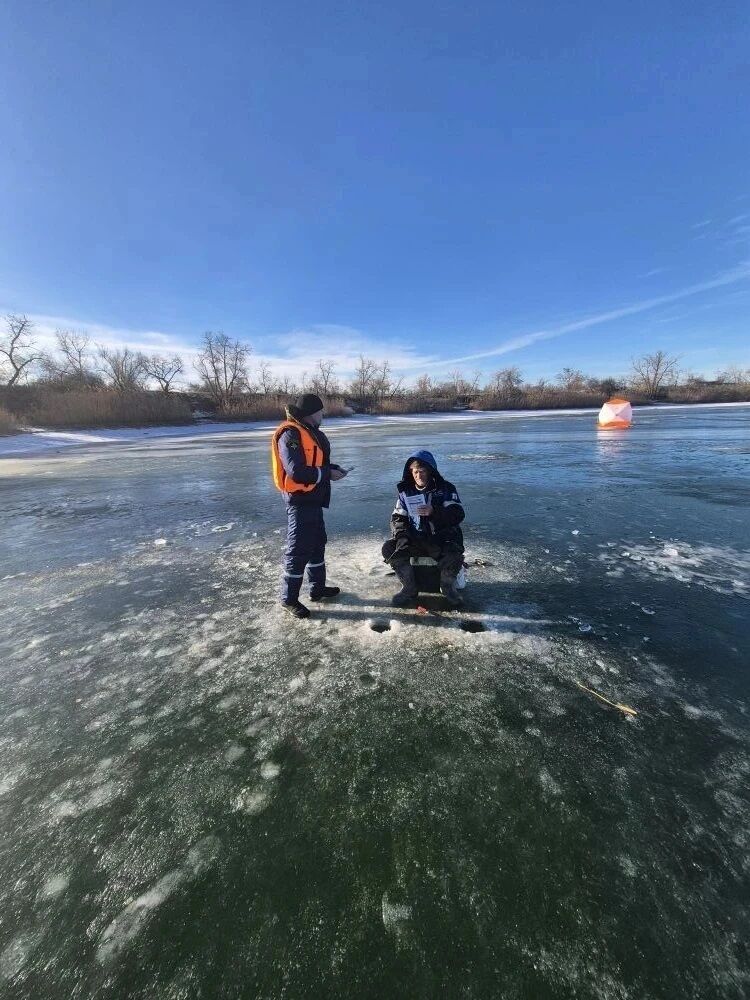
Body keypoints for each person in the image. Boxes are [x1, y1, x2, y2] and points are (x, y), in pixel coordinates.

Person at [271, 393, 349, 619]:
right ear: (312, 413)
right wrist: (327, 474)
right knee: (298, 549)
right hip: (300, 501)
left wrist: (332, 469)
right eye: (320, 411)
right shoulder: (290, 434)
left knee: (316, 544)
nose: (323, 414)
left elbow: (316, 463)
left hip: (313, 499)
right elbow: (296, 471)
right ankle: (288, 599)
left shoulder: (310, 431)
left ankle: (317, 588)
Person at [381, 450, 465, 607]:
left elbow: (457, 514)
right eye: (415, 472)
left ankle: (447, 587)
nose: (418, 475)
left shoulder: (446, 488)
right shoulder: (405, 492)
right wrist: (401, 536)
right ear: (410, 473)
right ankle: (409, 588)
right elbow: (397, 518)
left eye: (422, 471)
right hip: (415, 539)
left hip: (440, 539)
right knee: (389, 548)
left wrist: (435, 512)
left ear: (430, 471)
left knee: (455, 551)